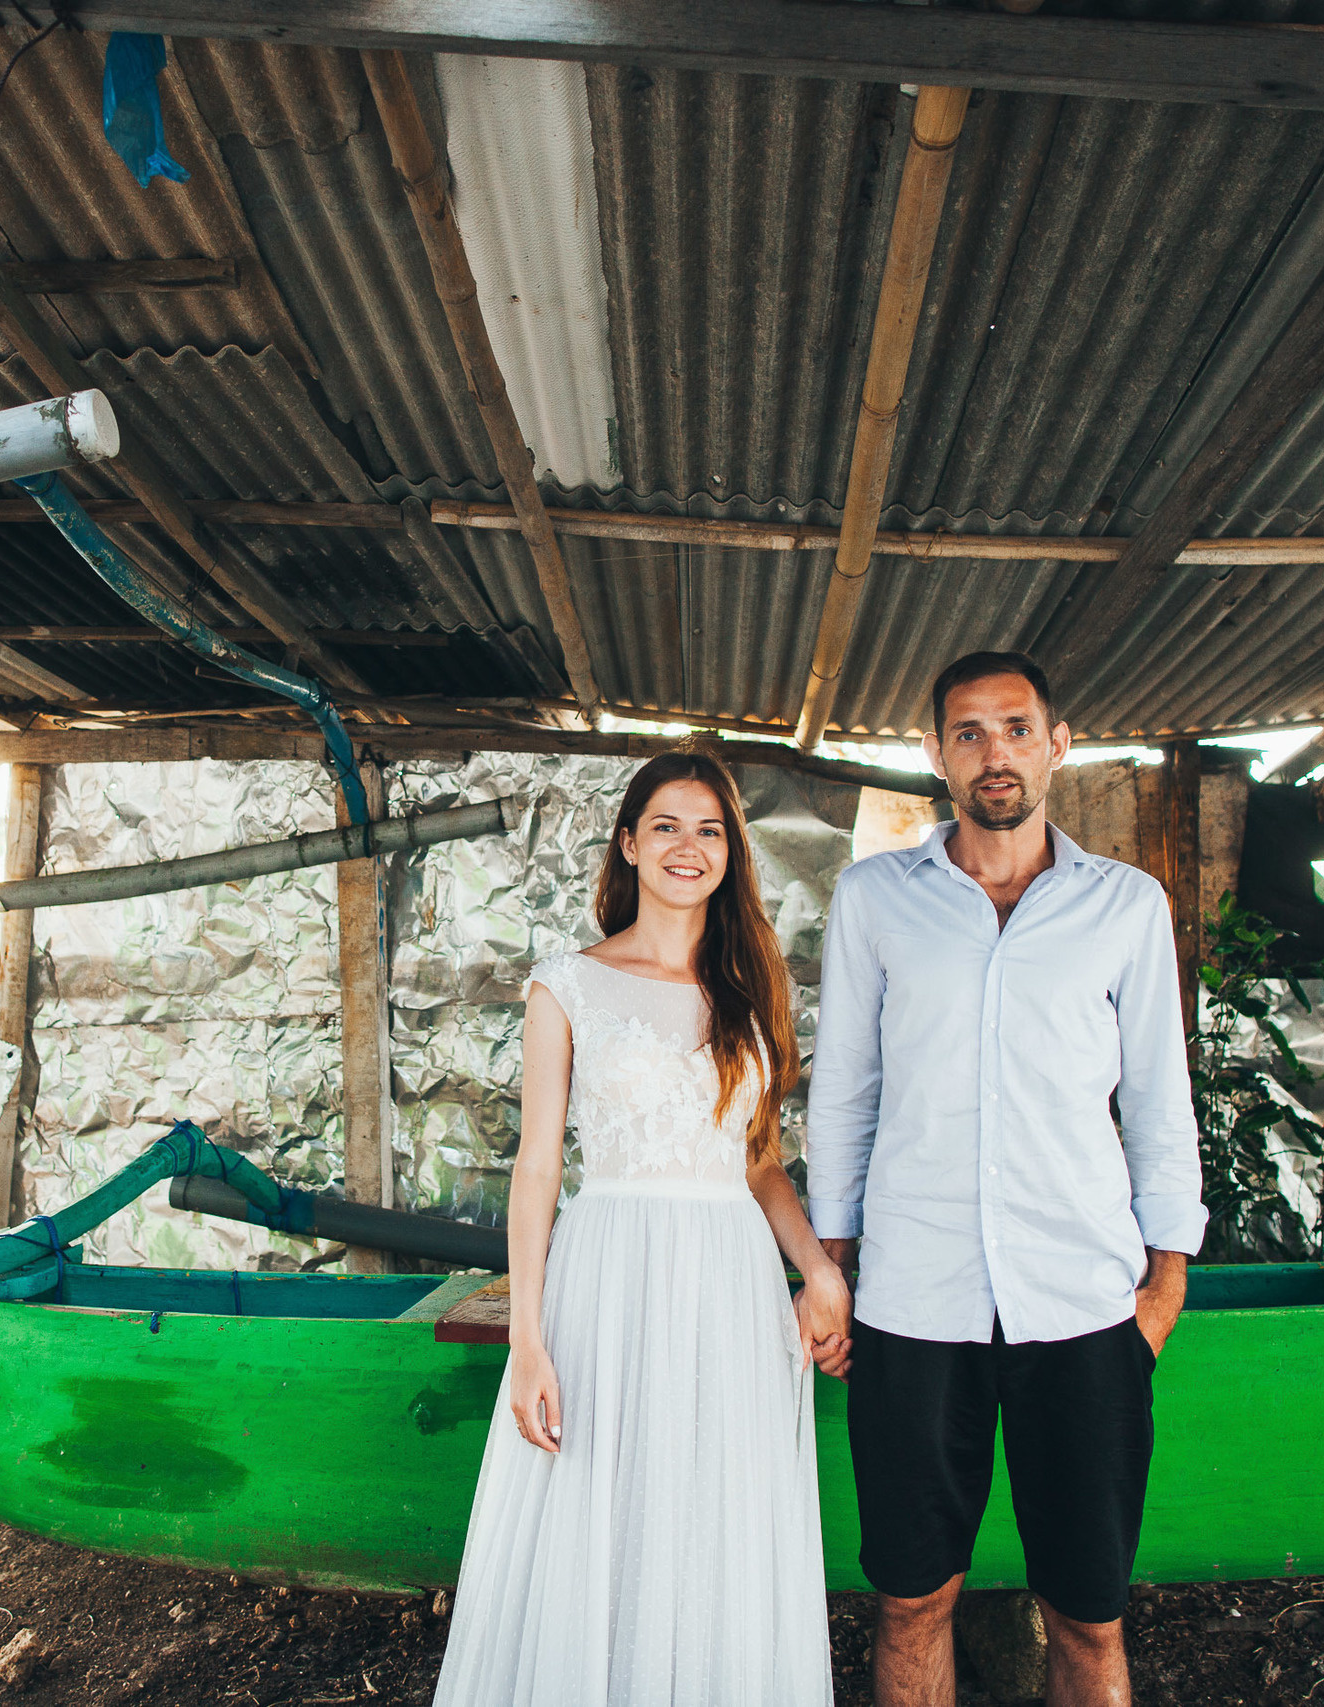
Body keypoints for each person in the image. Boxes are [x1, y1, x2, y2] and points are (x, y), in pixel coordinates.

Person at [807, 650, 1206, 1707]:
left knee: (1087, 1615)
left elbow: (1161, 1105)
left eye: (1017, 728)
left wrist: (1161, 1290)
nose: (996, 753)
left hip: (1080, 1305)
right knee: (908, 1600)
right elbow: (844, 1092)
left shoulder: (1125, 907)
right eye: (970, 733)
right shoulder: (874, 900)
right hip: (911, 1303)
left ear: (1057, 744)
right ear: (935, 754)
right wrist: (831, 1271)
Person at [433, 749, 853, 1707]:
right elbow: (538, 1167)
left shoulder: (752, 984)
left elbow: (760, 1163)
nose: (687, 846)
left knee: (712, 1514)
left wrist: (818, 1271)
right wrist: (526, 1343)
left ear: (730, 854)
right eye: (666, 824)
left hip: (730, 1283)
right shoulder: (567, 984)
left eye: (709, 829)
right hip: (612, 1274)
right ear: (629, 842)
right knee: (602, 1503)